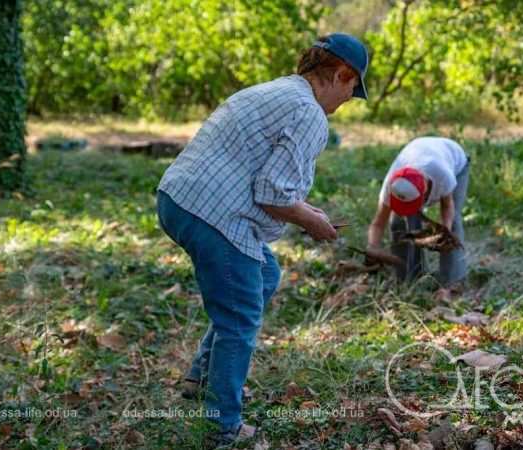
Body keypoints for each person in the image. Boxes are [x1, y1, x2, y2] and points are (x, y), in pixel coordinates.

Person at [156, 33, 368, 445]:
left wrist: (307, 210)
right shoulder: (309, 113)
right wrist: (312, 221)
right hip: (213, 213)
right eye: (351, 90)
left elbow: (267, 176)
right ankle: (223, 425)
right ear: (342, 74)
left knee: (265, 274)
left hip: (178, 197)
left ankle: (200, 377)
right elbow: (272, 194)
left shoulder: (276, 89)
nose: (346, 102)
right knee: (240, 317)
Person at [367, 137, 470, 300]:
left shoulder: (442, 175)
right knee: (398, 223)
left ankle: (452, 284)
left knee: (453, 225)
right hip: (418, 153)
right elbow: (378, 223)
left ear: (425, 193)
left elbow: (447, 207)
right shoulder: (391, 186)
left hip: (456, 161)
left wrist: (445, 232)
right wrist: (373, 247)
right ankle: (408, 279)